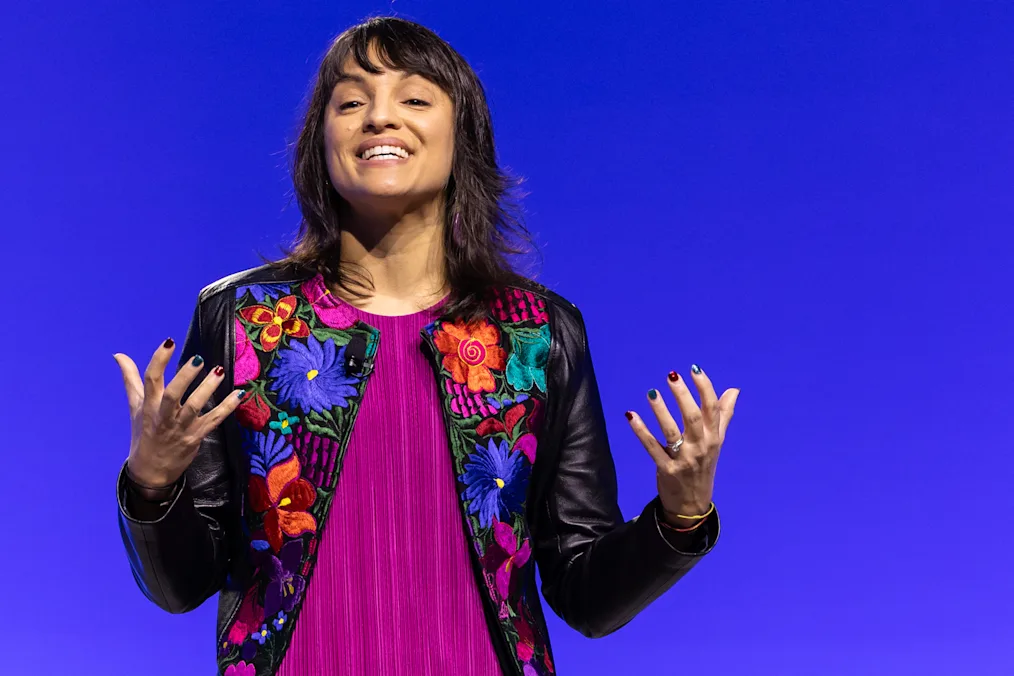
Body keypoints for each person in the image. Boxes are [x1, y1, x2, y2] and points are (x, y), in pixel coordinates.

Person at [114, 16, 739, 676]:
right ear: (319, 142)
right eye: (351, 101)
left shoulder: (538, 333)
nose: (380, 118)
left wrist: (680, 517)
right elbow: (180, 587)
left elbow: (585, 593)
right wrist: (153, 485)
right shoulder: (244, 318)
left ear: (462, 135)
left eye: (414, 98)